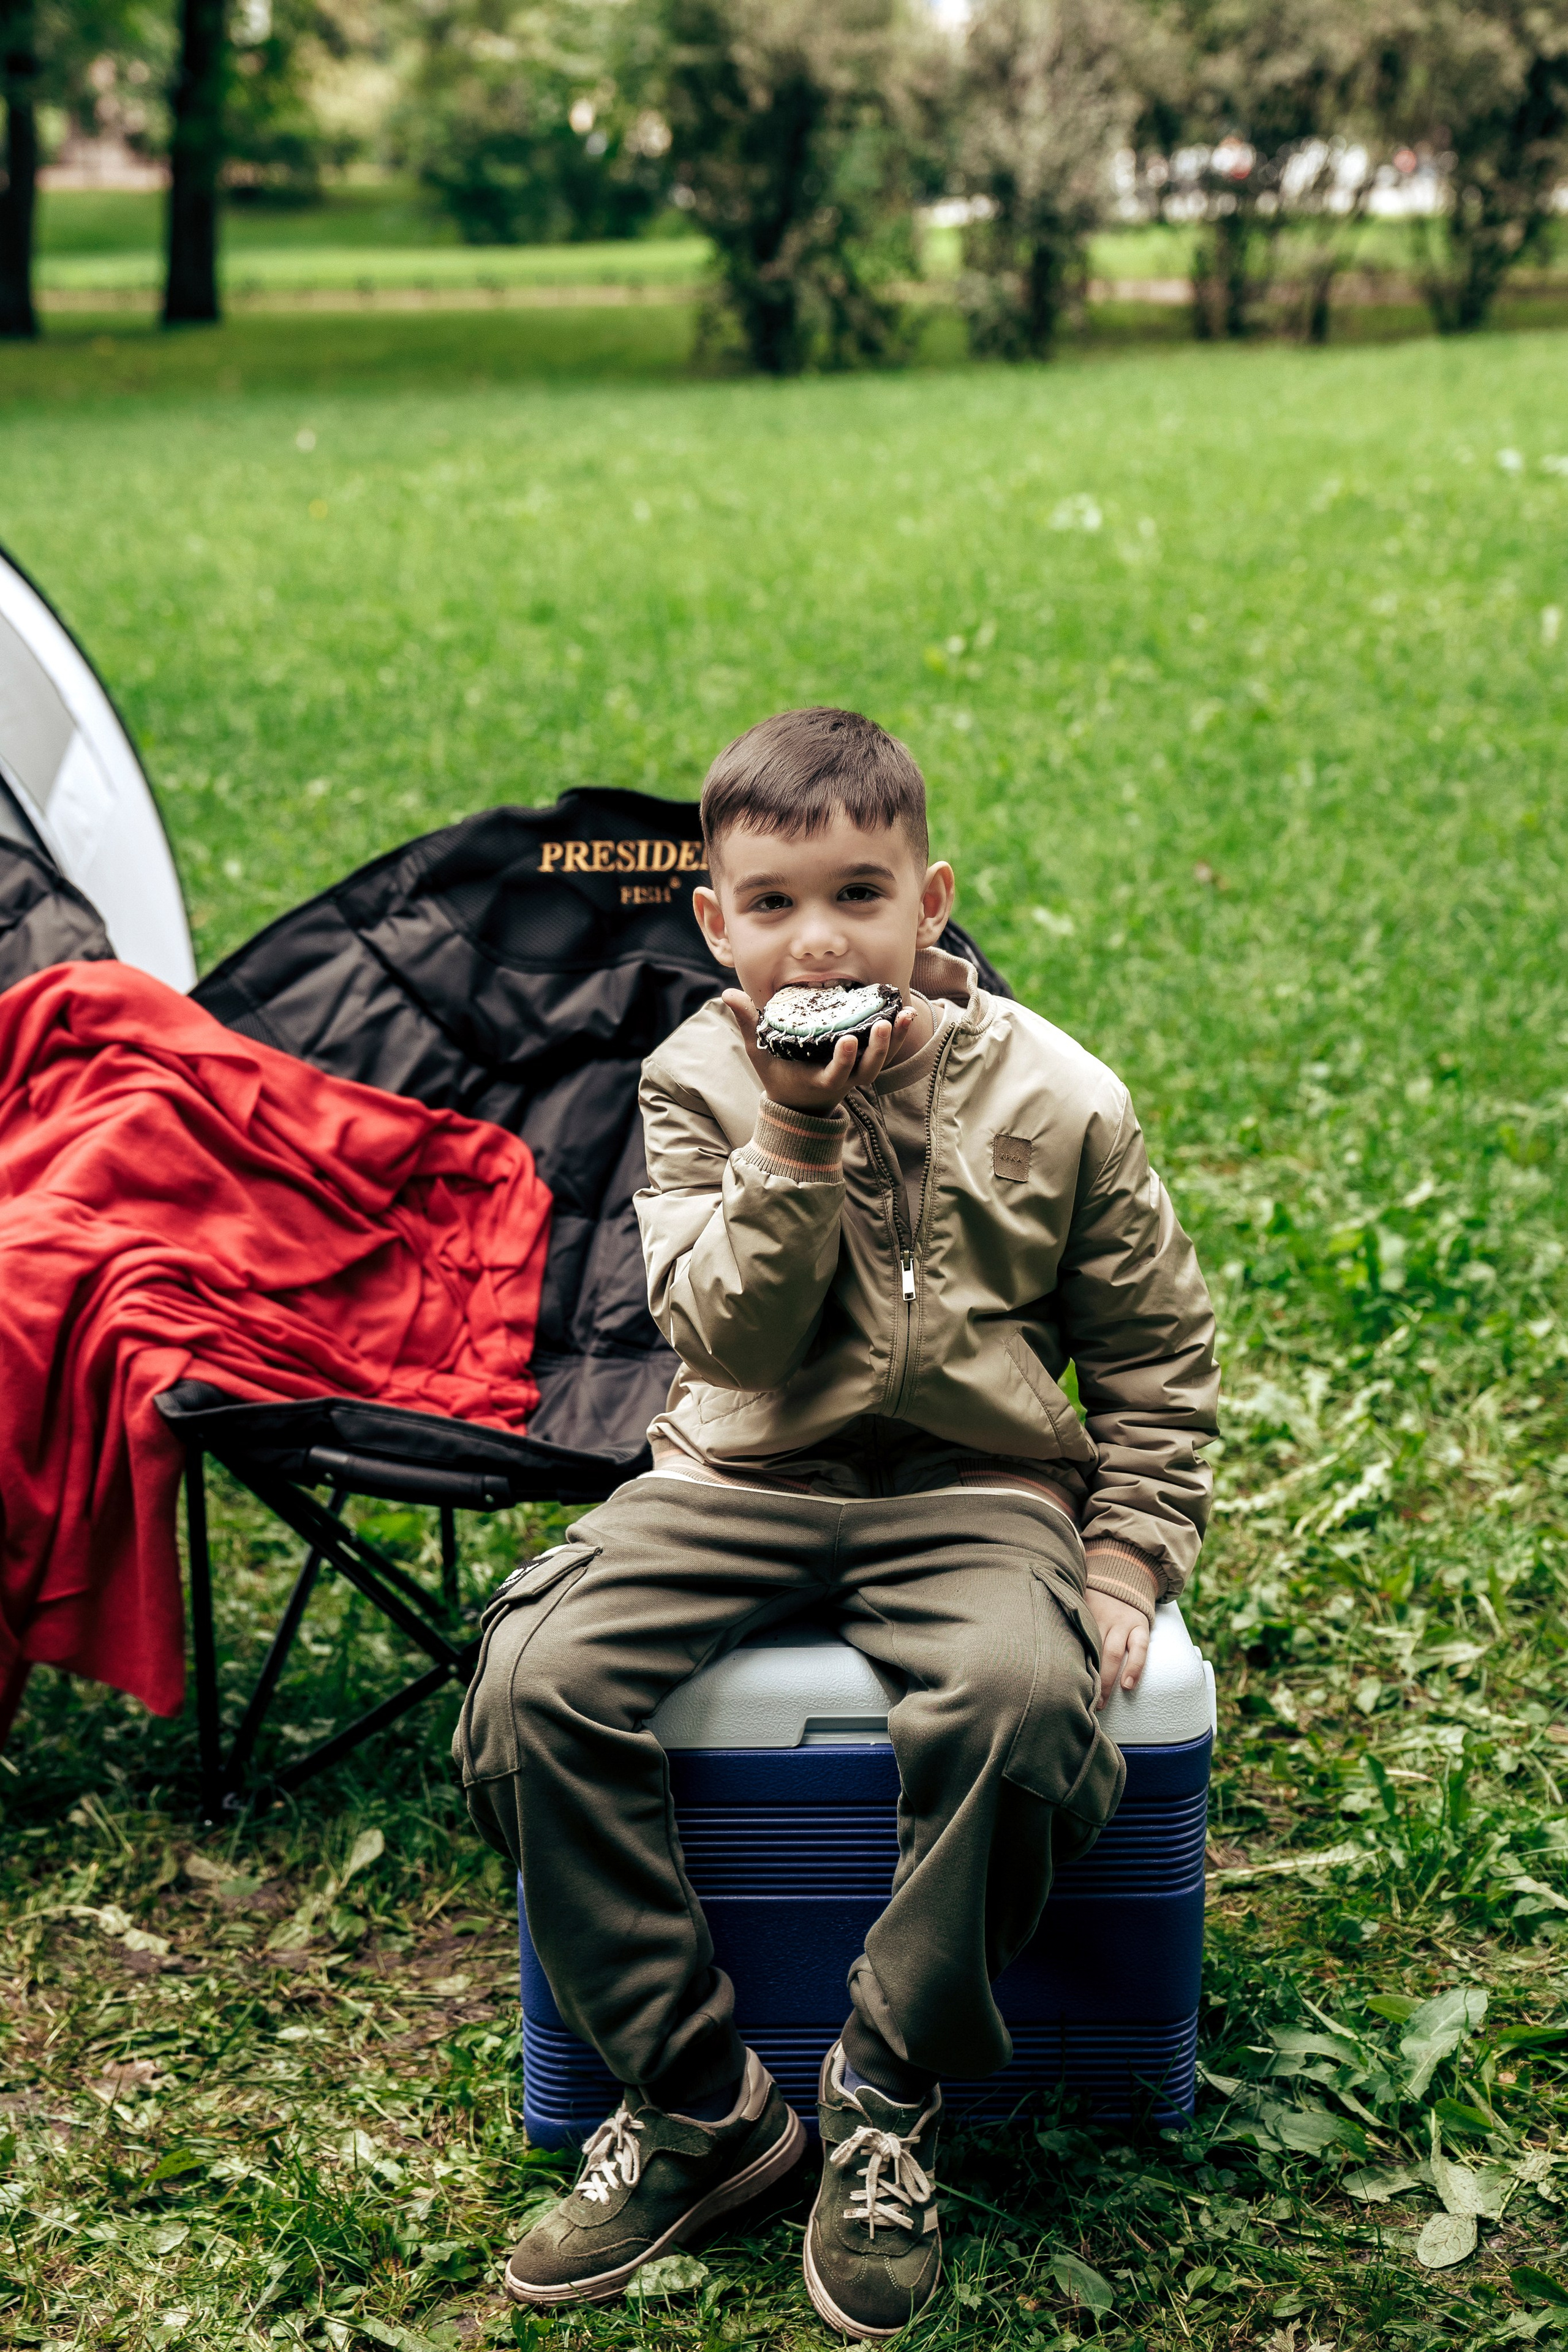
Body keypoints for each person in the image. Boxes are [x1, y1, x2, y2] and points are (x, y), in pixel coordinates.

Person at [454, 707, 1218, 2340]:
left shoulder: (1062, 1093)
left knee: (1029, 1705)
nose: (821, 939)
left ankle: (883, 2085)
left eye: (860, 893)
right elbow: (724, 1338)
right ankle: (699, 2105)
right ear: (714, 922)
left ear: (931, 902)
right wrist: (795, 1129)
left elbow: (1156, 1357)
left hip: (973, 1491)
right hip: (735, 1477)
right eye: (777, 903)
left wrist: (1127, 1554)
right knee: (532, 1684)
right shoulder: (691, 1081)